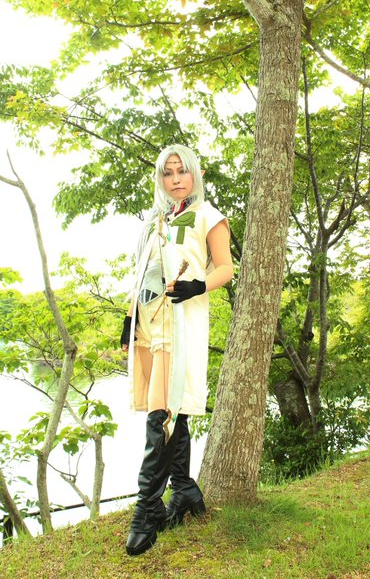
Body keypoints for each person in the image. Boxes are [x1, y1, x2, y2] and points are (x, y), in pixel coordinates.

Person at [120, 144, 233, 557]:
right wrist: (129, 319)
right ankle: (183, 488)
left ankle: (147, 509)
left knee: (162, 414)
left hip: (178, 323)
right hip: (147, 322)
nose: (175, 179)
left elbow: (226, 267)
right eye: (167, 173)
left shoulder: (207, 216)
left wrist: (197, 285)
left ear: (194, 174)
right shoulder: (155, 220)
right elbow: (142, 272)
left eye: (181, 171)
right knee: (174, 409)